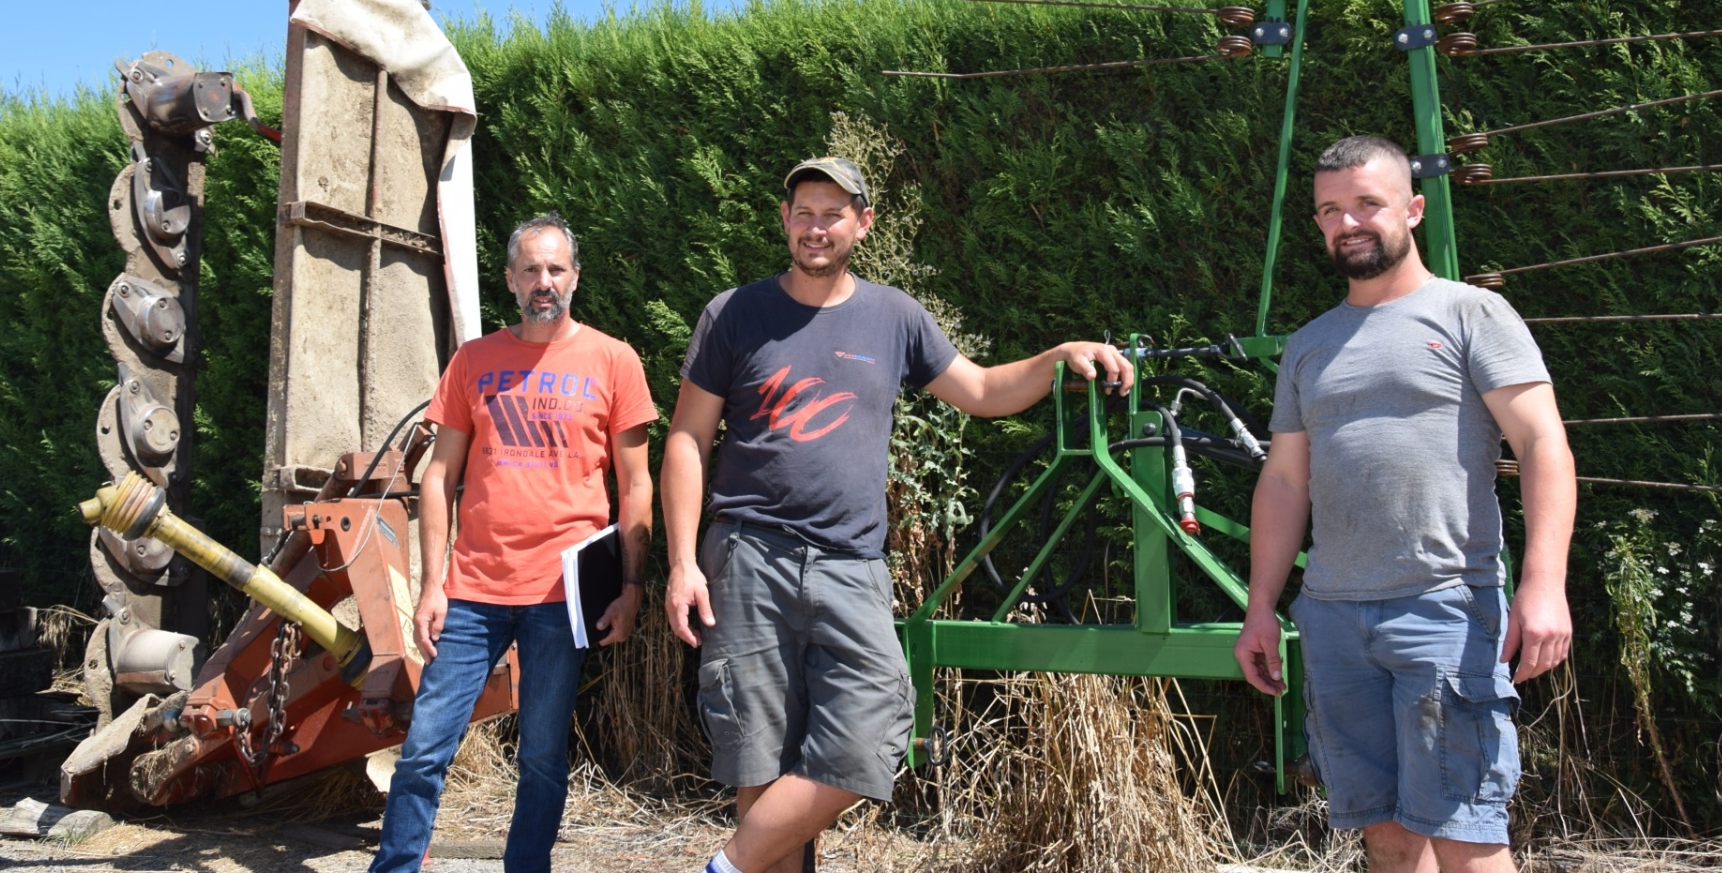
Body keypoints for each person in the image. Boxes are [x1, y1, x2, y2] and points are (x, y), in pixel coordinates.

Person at [661, 157, 1134, 873]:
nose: (817, 227)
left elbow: (979, 388)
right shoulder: (734, 313)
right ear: (785, 218)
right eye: (805, 212)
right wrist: (682, 561)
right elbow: (687, 439)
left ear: (862, 223)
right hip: (748, 555)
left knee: (875, 727)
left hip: (853, 565)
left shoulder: (895, 315)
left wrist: (1060, 354)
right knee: (758, 751)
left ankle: (722, 868)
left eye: (833, 213)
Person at [1233, 136, 1575, 873]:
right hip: (1332, 616)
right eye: (1330, 210)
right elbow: (1286, 479)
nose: (1347, 222)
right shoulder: (1309, 345)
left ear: (1413, 209)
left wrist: (1544, 584)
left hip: (1445, 609)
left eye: (1366, 203)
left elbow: (1544, 443)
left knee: (1465, 830)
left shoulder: (1471, 314)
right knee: (1384, 836)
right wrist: (1262, 603)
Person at [369, 213, 656, 873]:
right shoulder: (474, 361)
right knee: (423, 750)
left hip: (564, 594)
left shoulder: (615, 361)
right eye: (531, 269)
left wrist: (632, 587)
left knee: (543, 757)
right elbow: (438, 477)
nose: (544, 281)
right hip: (473, 590)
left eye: (556, 269)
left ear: (575, 276)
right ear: (510, 277)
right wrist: (431, 583)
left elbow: (637, 486)